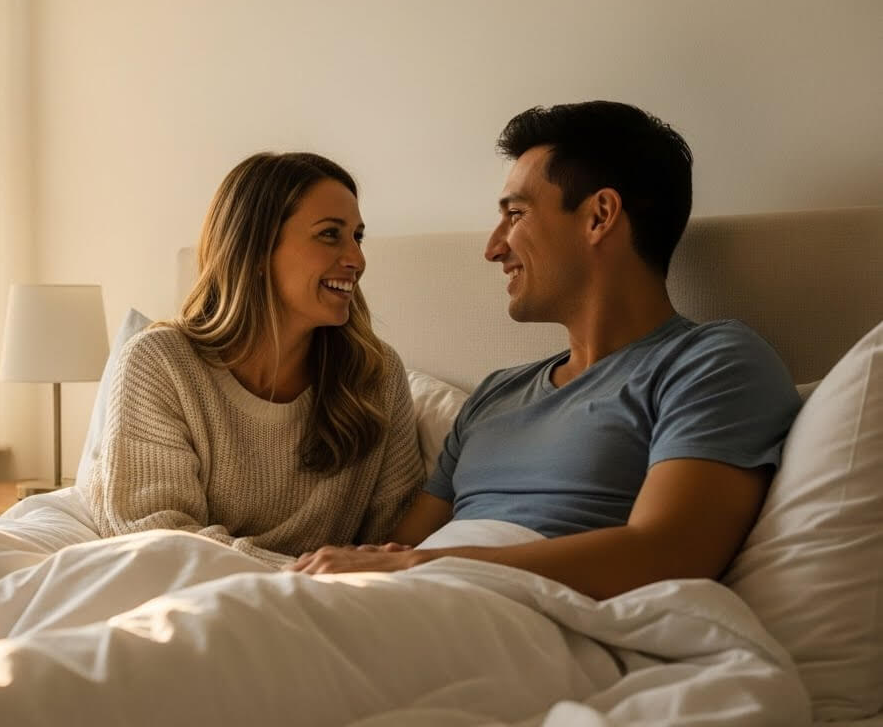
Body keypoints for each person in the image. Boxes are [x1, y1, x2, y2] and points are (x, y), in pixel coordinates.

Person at [292, 101, 801, 598]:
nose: (493, 247)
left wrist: (427, 564)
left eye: (515, 214)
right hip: (425, 603)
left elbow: (670, 552)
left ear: (599, 216)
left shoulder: (712, 362)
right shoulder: (497, 393)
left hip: (532, 617)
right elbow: (397, 550)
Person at [83, 152, 424, 568]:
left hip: (322, 607)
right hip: (186, 595)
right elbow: (155, 539)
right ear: (257, 250)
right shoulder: (161, 364)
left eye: (358, 236)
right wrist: (298, 572)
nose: (357, 259)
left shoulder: (376, 377)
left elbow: (392, 543)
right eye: (330, 235)